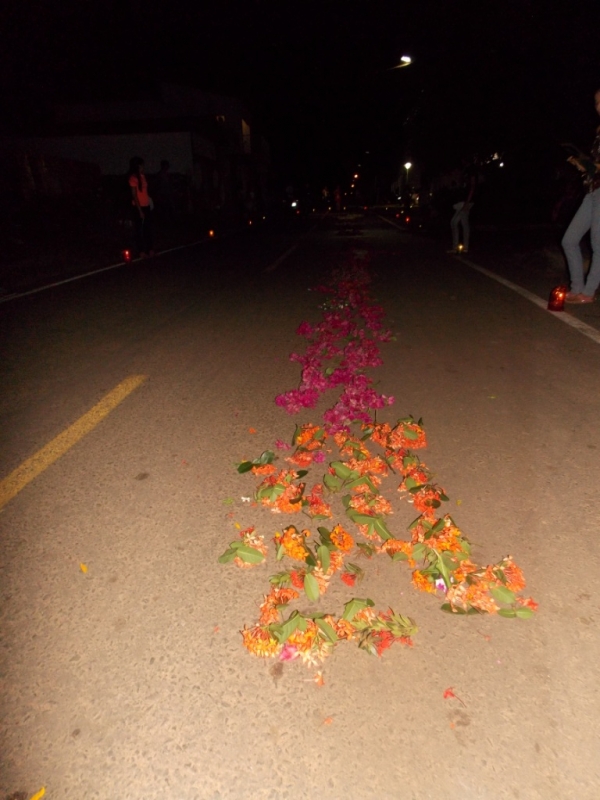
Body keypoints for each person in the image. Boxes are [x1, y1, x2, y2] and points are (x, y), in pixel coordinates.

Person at [562, 89, 600, 303]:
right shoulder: (598, 131)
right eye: (596, 102)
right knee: (569, 240)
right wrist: (581, 164)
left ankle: (588, 291)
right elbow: (594, 166)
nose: (598, 106)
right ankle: (577, 287)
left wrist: (592, 166)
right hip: (591, 190)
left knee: (598, 243)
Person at [448, 159, 477, 254]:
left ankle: (460, 247)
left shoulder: (471, 171)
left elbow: (472, 187)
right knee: (460, 223)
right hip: (464, 201)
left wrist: (467, 202)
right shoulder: (465, 172)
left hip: (466, 202)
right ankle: (461, 247)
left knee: (456, 222)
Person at [128, 156, 154, 258]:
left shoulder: (143, 176)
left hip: (146, 205)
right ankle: (141, 250)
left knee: (148, 228)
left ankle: (150, 249)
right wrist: (139, 210)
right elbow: (134, 195)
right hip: (138, 207)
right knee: (139, 229)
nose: (143, 167)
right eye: (142, 165)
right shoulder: (133, 178)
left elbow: (145, 191)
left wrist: (149, 202)